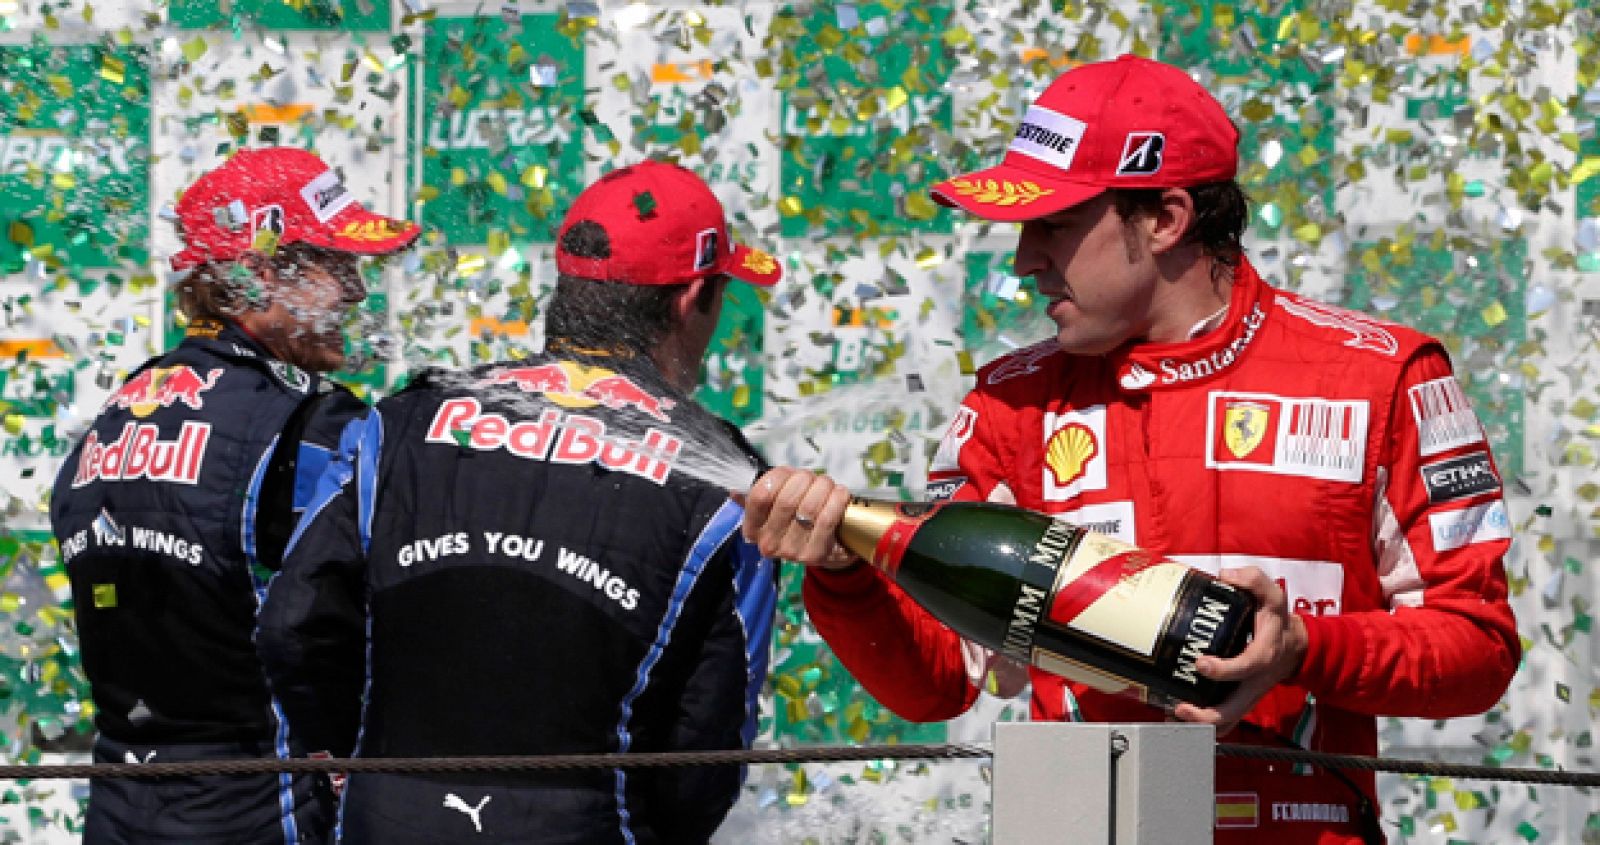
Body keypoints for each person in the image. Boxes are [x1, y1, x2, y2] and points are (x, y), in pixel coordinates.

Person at [741, 54, 1519, 844]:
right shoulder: (1007, 405)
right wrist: (843, 577)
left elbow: (1479, 647)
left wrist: (1304, 648)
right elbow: (939, 680)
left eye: (1054, 224)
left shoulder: (1382, 376)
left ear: (1165, 218)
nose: (1022, 260)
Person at [257, 160, 781, 844]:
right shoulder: (729, 480)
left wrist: (350, 765)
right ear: (690, 298)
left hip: (389, 816)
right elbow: (710, 740)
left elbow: (293, 624)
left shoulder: (404, 418)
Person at [50, 146, 420, 844]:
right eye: (335, 265)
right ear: (255, 276)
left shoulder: (112, 416)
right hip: (264, 811)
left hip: (119, 813)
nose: (358, 292)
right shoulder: (316, 422)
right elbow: (346, 638)